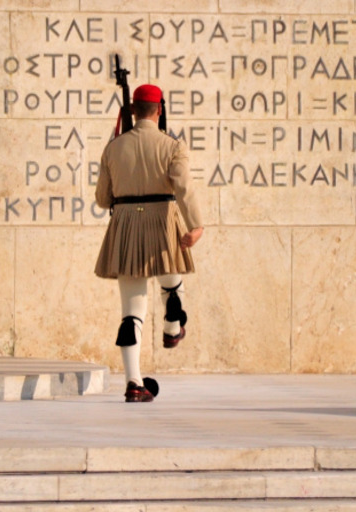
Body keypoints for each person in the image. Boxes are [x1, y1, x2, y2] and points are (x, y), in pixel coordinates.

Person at [93, 84, 204, 403]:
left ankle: (134, 383)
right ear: (160, 109)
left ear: (132, 110)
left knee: (132, 310)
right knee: (171, 279)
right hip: (161, 221)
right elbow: (184, 188)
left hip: (126, 225)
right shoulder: (172, 146)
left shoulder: (113, 148)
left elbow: (102, 199)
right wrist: (195, 225)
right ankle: (172, 326)